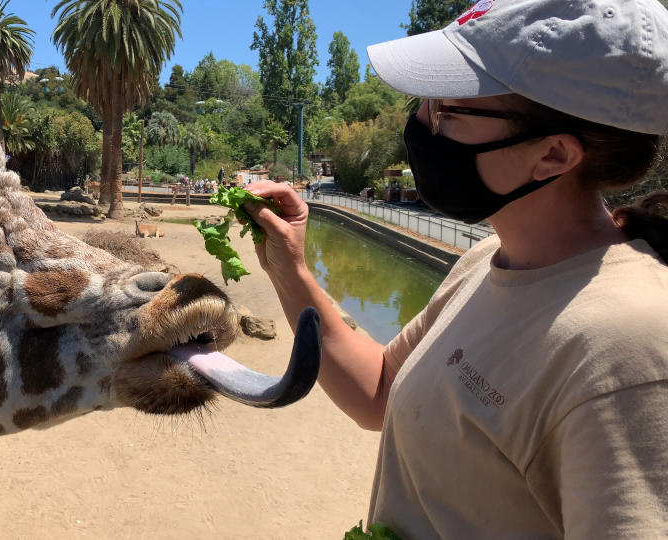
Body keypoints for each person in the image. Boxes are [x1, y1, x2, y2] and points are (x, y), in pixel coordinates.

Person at [243, 0, 668, 538]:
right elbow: (378, 390)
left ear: (554, 155)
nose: (421, 124)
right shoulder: (485, 260)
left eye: (448, 108)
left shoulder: (628, 346)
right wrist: (291, 268)